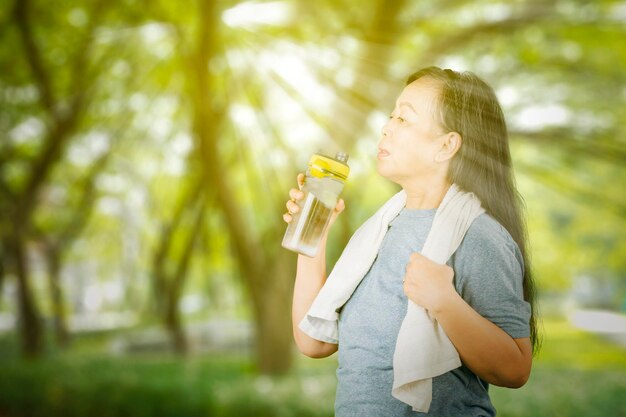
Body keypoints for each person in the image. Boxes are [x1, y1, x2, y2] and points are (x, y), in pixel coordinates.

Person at [283, 66, 540, 417]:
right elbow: (313, 341)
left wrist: (444, 302)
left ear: (447, 145)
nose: (387, 127)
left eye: (404, 119)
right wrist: (313, 236)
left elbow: (515, 369)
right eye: (392, 115)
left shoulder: (478, 236)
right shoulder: (379, 230)